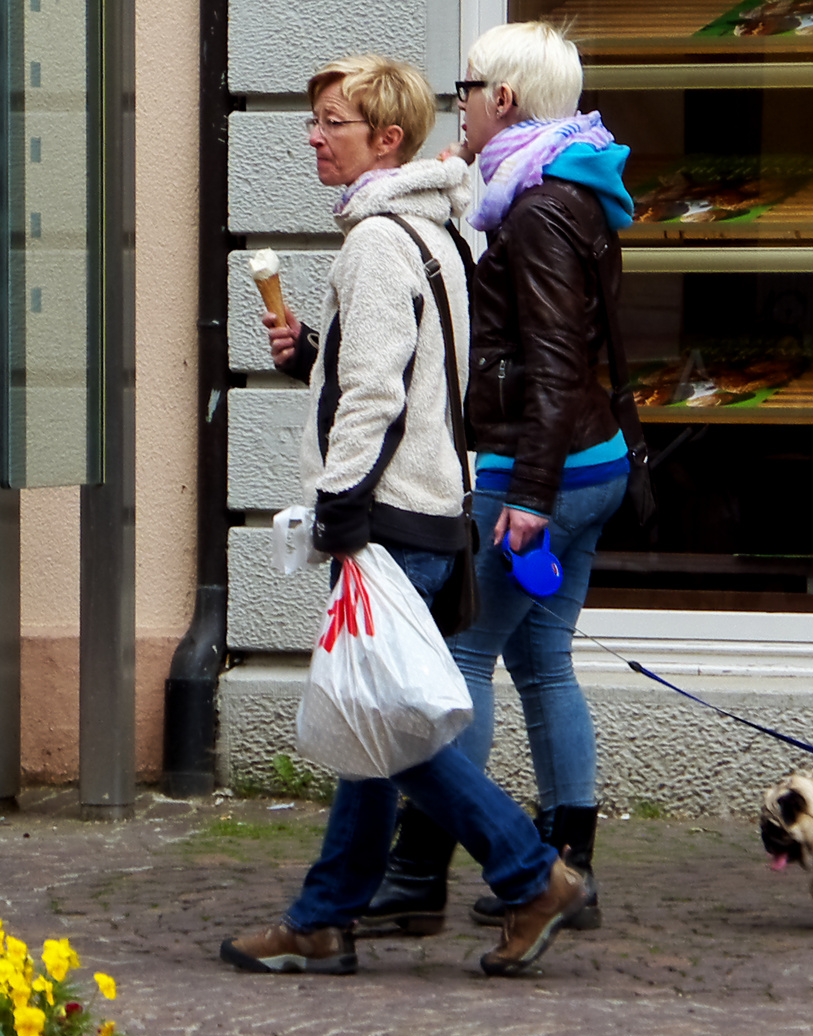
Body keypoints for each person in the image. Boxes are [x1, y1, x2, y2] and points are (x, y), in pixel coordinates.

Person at [218, 54, 586, 979]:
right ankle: (327, 916)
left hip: (385, 521)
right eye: (312, 120)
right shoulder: (442, 233)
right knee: (372, 726)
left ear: (387, 138)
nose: (312, 135)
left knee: (389, 730)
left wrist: (339, 507)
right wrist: (314, 351)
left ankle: (532, 870)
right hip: (433, 512)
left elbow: (379, 395)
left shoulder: (379, 242)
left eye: (331, 121)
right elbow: (422, 381)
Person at [361, 22, 635, 936]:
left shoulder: (537, 211)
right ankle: (572, 867)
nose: (461, 105)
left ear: (504, 100)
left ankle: (427, 867)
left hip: (540, 471)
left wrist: (527, 497)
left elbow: (554, 367)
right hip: (587, 466)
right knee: (542, 660)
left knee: (464, 656)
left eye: (467, 88)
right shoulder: (564, 188)